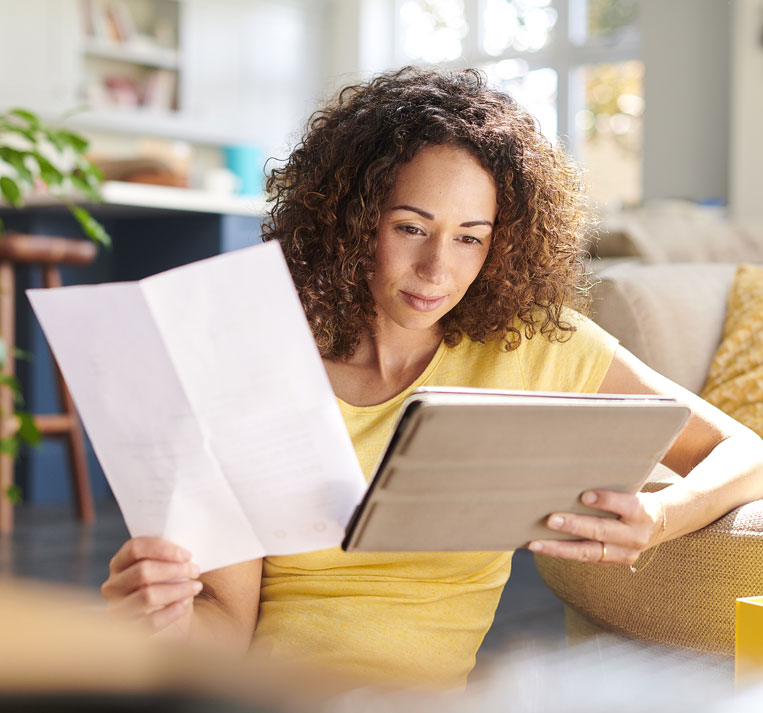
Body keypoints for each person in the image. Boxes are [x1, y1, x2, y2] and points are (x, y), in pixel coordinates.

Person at [101, 67, 763, 689]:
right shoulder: (256, 360)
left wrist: (661, 513)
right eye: (410, 227)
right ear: (352, 221)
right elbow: (226, 627)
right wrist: (168, 618)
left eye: (469, 237)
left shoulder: (529, 343)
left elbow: (745, 451)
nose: (435, 269)